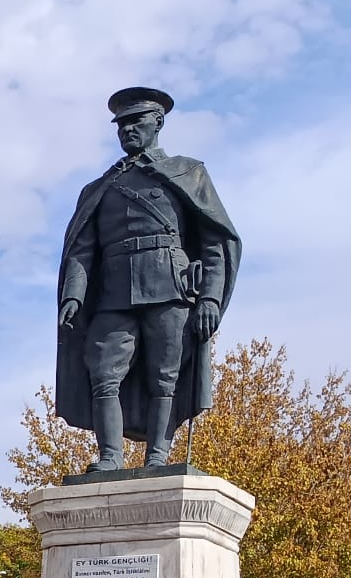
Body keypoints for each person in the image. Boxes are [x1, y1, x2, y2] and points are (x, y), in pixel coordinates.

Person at [56, 87, 239, 470]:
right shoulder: (98, 188)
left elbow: (214, 241)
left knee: (164, 377)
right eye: (121, 124)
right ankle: (110, 457)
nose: (127, 130)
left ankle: (157, 457)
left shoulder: (187, 173)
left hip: (169, 289)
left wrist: (209, 299)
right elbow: (82, 249)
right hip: (113, 294)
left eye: (135, 121)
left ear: (158, 122)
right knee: (103, 373)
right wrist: (73, 295)